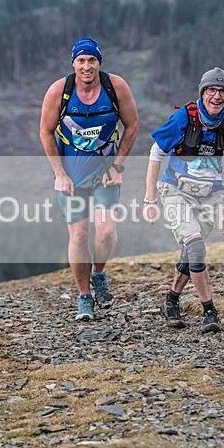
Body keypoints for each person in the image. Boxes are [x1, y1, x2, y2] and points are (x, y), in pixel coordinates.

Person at [39, 38, 139, 321]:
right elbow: (46, 132)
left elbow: (132, 126)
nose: (86, 66)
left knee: (106, 232)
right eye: (81, 61)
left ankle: (98, 274)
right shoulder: (59, 91)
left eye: (92, 60)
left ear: (99, 63)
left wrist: (117, 167)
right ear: (73, 63)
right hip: (71, 175)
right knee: (79, 235)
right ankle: (84, 297)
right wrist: (59, 174)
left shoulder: (115, 87)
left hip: (104, 172)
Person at [144, 67, 224, 333]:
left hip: (209, 195)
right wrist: (149, 199)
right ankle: (209, 310)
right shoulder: (184, 117)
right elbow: (156, 152)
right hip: (175, 191)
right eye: (211, 90)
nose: (217, 96)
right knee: (196, 247)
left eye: (223, 91)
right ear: (203, 92)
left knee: (190, 252)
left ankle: (171, 301)